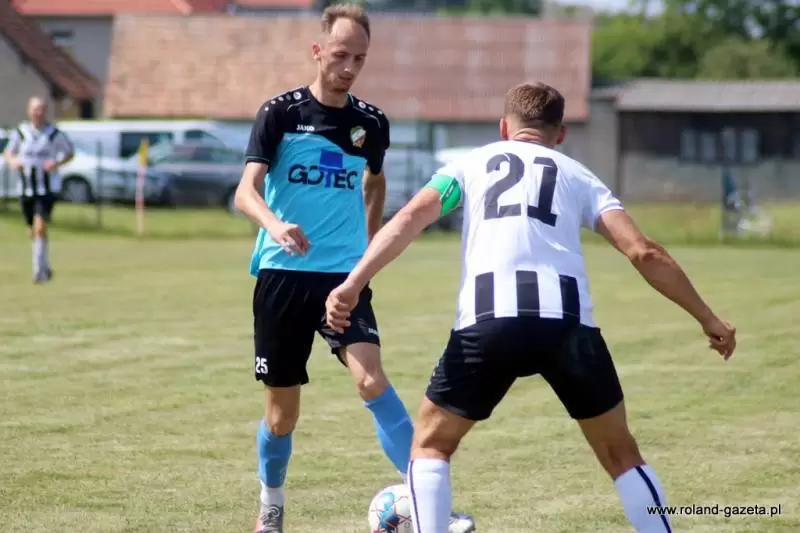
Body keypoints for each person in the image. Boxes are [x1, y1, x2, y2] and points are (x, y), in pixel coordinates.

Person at [325, 82, 737, 533]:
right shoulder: (580, 176)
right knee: (621, 454)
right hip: (568, 326)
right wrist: (708, 318)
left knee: (430, 446)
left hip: (489, 322)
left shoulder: (468, 166)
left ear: (504, 128)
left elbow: (408, 219)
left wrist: (353, 283)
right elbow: (643, 252)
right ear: (560, 134)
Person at [234, 4, 474, 533]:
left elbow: (375, 182)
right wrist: (275, 225)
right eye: (340, 55)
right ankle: (271, 504)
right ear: (318, 50)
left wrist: (365, 255)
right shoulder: (279, 114)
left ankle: (430, 505)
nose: (349, 67)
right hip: (282, 276)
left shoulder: (371, 123)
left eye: (359, 59)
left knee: (371, 380)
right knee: (282, 415)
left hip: (343, 278)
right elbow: (245, 192)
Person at [3, 96, 74, 283]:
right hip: (25, 189)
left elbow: (69, 152)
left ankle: (38, 272)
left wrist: (56, 163)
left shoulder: (53, 133)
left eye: (42, 109)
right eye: (35, 109)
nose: (39, 113)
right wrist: (13, 161)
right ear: (29, 111)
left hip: (46, 189)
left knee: (40, 227)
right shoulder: (21, 132)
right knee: (32, 231)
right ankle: (45, 265)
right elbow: (9, 152)